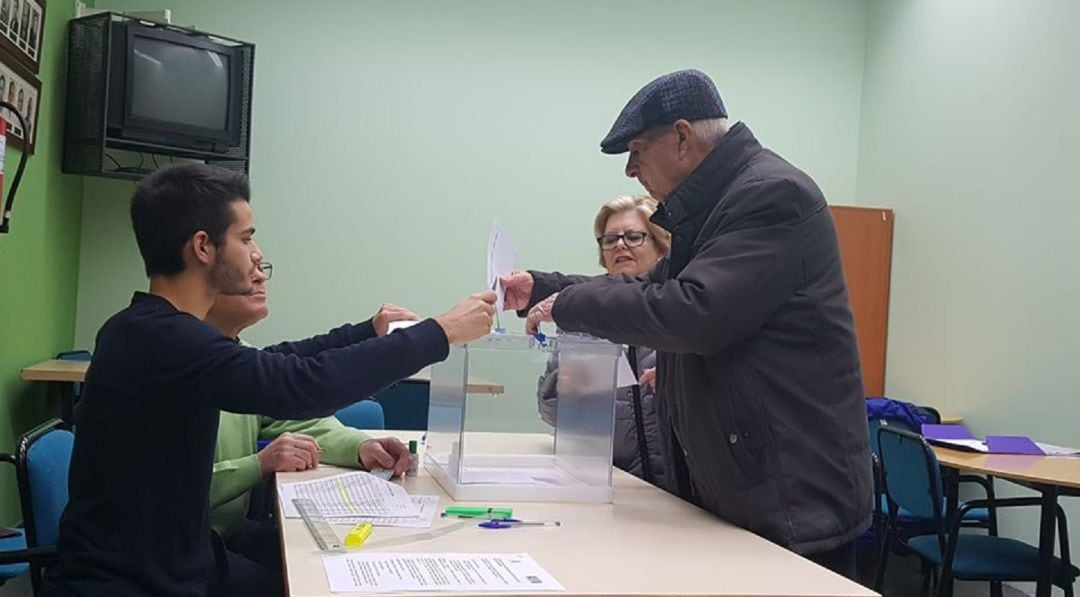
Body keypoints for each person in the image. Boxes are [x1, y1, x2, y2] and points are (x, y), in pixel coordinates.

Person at [45, 164, 495, 596]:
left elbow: (277, 362)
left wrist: (364, 331)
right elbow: (297, 384)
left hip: (186, 560)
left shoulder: (157, 331)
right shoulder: (158, 337)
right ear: (203, 246)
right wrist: (441, 332)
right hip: (134, 582)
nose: (257, 255)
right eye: (245, 238)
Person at [501, 69, 872, 577]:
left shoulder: (771, 195)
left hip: (788, 498)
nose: (631, 169)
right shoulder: (716, 206)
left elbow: (691, 313)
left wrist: (568, 307)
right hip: (748, 488)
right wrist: (547, 290)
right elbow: (651, 287)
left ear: (681, 137)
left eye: (636, 150)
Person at [203, 260, 419, 596]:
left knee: (333, 565)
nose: (260, 276)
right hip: (182, 547)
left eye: (262, 265)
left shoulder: (241, 357)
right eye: (247, 258)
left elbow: (298, 419)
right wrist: (258, 465)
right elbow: (166, 492)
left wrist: (359, 447)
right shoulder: (179, 368)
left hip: (226, 529)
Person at [536, 195, 671, 490]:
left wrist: (680, 383)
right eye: (609, 240)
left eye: (633, 237)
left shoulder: (680, 310)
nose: (620, 245)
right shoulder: (580, 317)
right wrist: (563, 388)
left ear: (662, 246)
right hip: (610, 486)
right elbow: (551, 413)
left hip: (685, 494)